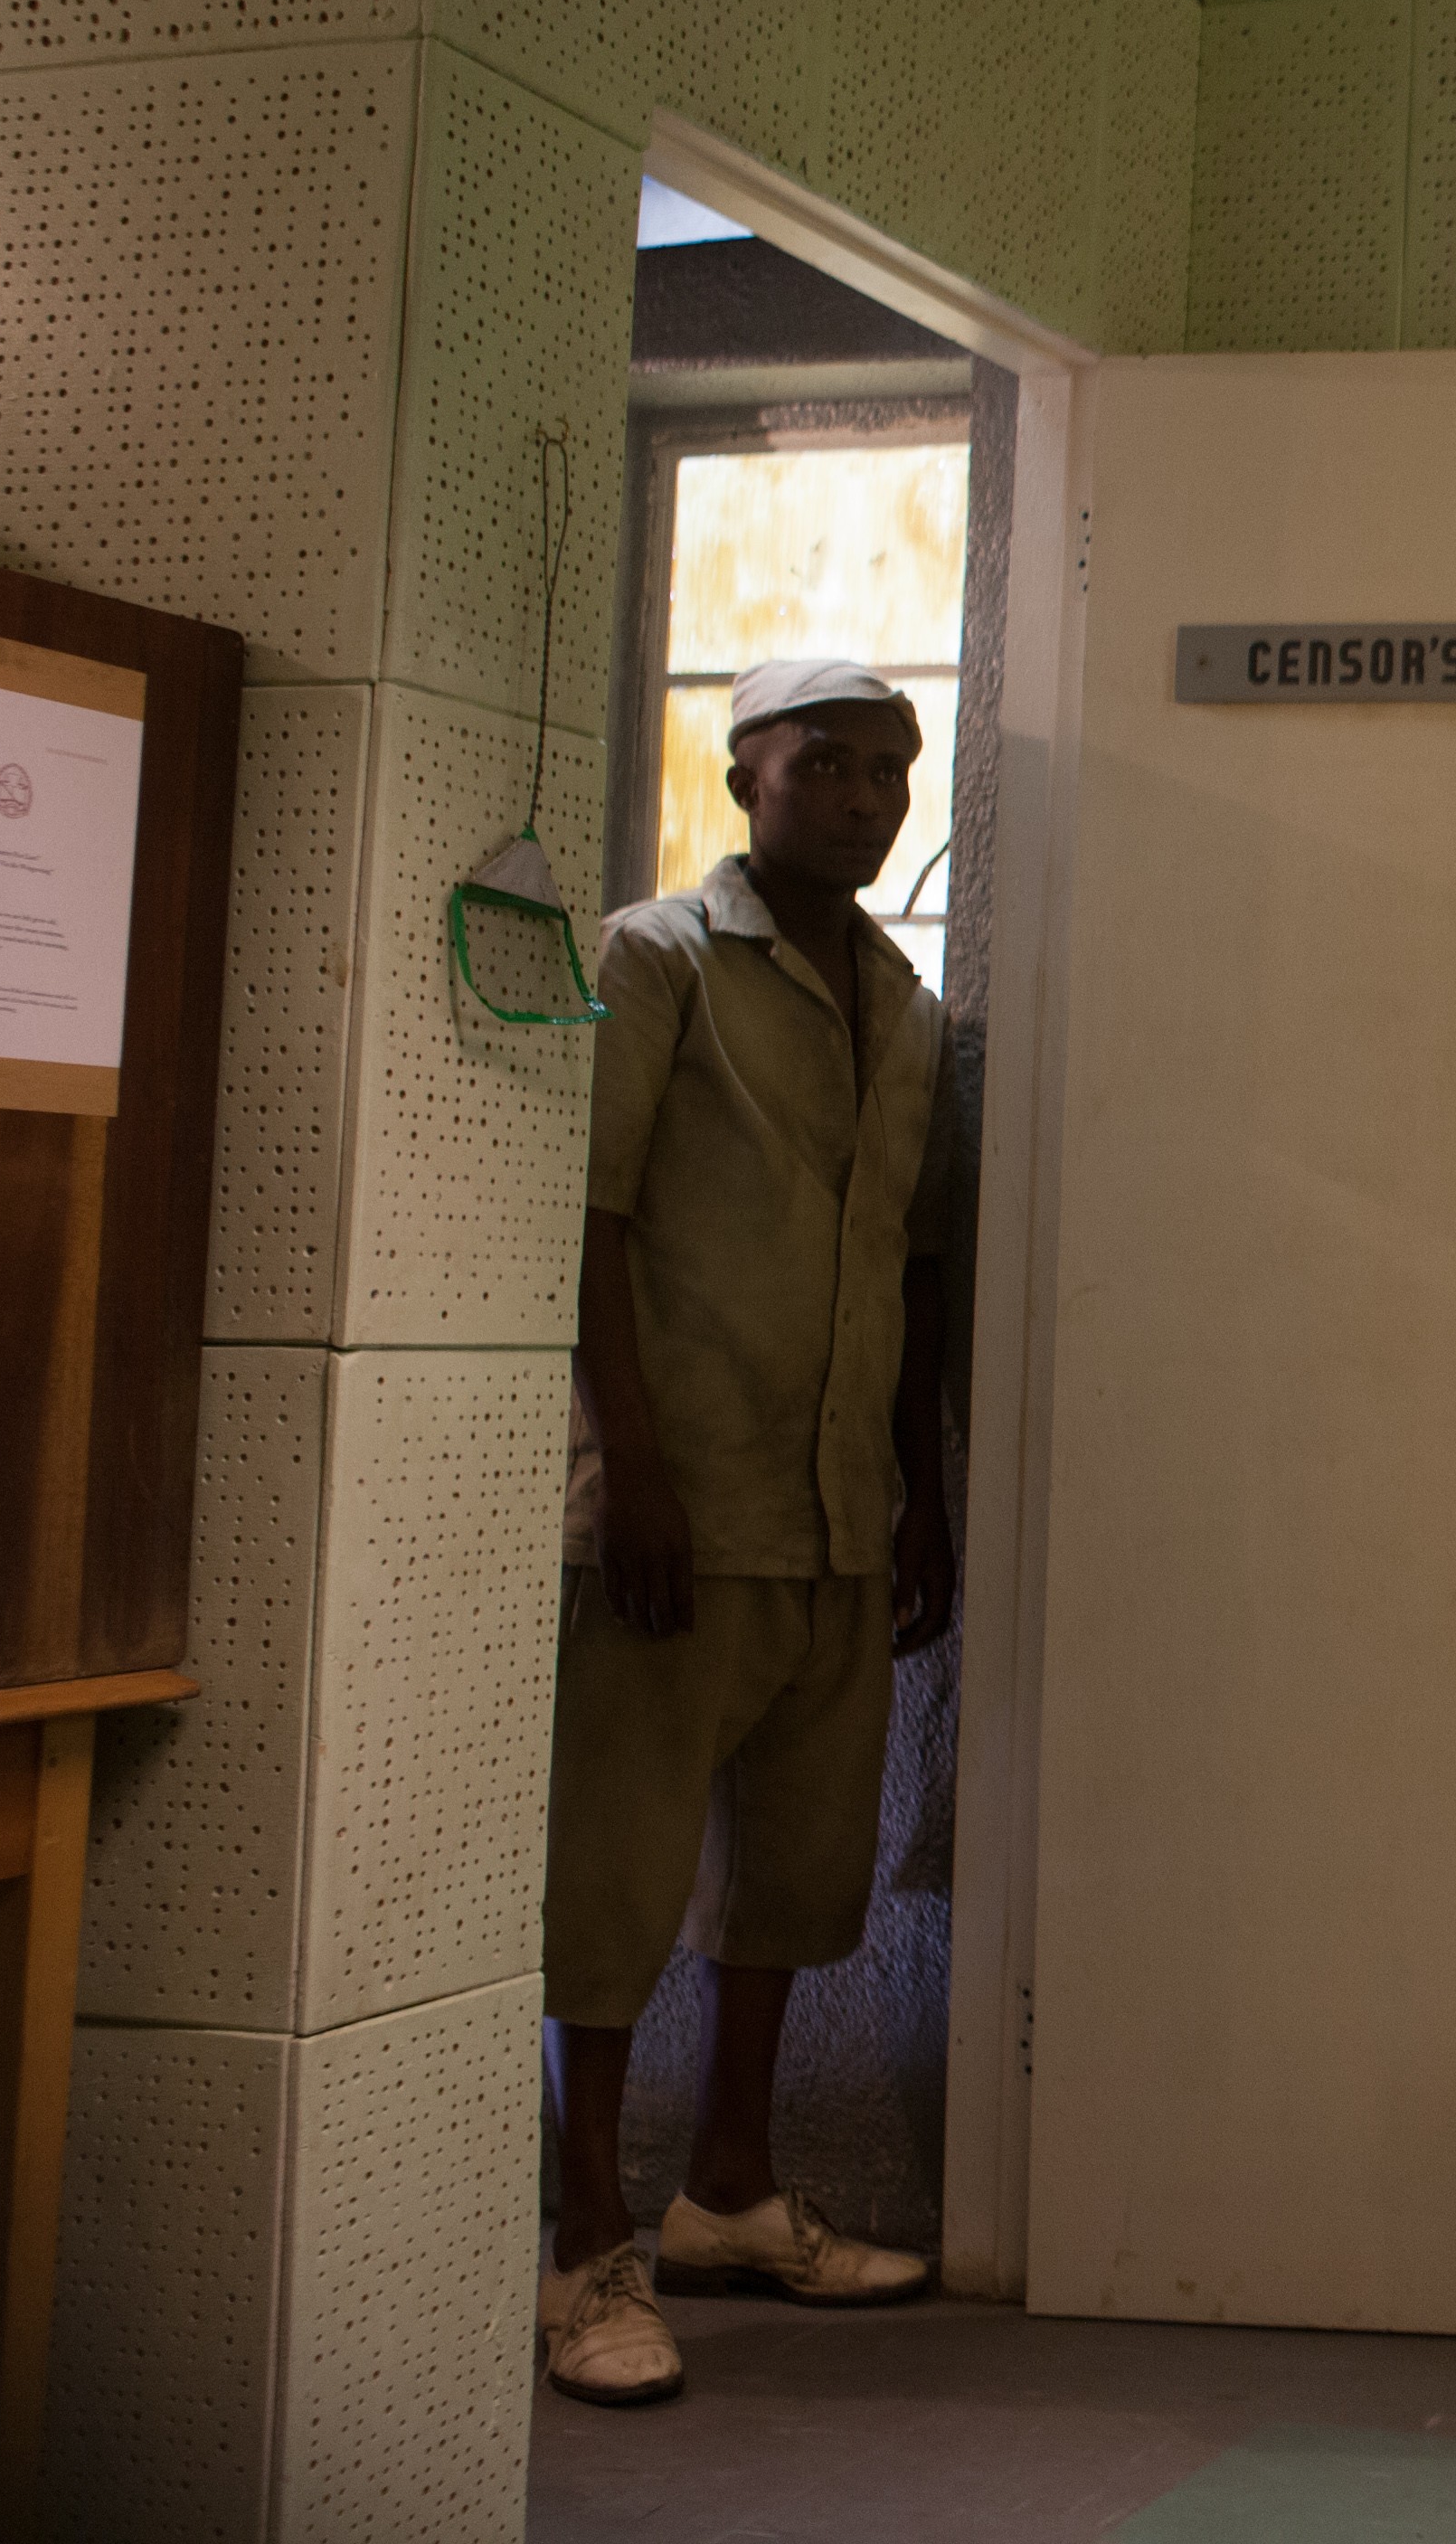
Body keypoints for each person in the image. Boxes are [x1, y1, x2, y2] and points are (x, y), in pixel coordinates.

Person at [535, 659, 960, 2408]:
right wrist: (629, 1465)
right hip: (674, 1510)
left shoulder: (906, 1006)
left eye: (889, 774)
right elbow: (587, 1218)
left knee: (792, 1876)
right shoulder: (657, 960)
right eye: (825, 767)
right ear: (745, 782)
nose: (863, 801)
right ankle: (585, 2247)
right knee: (612, 1884)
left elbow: (910, 1269)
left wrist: (920, 1490)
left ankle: (727, 2195)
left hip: (836, 1516)